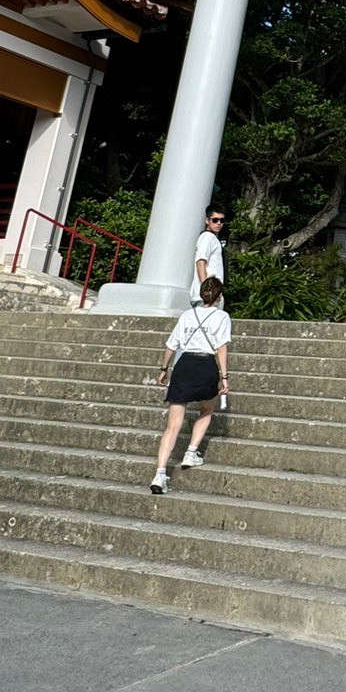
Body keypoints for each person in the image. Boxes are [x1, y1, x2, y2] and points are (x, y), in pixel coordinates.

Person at [149, 276, 230, 495]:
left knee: (172, 425)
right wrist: (224, 377)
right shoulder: (222, 317)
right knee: (207, 409)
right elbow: (222, 347)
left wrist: (164, 369)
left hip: (184, 365)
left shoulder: (187, 315)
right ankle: (191, 451)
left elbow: (171, 345)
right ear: (219, 296)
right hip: (205, 365)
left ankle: (160, 473)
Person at [192, 206, 227, 299]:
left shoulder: (212, 238)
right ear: (207, 221)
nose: (219, 223)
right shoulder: (207, 237)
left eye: (222, 220)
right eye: (215, 220)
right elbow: (201, 262)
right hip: (207, 297)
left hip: (212, 294)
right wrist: (207, 290)